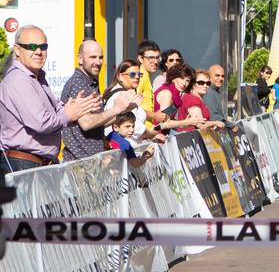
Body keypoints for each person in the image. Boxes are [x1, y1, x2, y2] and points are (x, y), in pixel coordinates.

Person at [0, 26, 99, 171]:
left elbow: (56, 108)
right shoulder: (19, 79)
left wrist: (76, 109)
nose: (39, 52)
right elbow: (42, 122)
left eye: (43, 46)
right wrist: (69, 115)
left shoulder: (36, 77)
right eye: (32, 47)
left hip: (36, 164)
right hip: (22, 164)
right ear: (17, 50)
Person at [61, 39, 139, 161]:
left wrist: (124, 110)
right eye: (92, 57)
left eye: (101, 57)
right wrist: (116, 109)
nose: (98, 62)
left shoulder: (89, 83)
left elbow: (97, 124)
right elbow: (86, 123)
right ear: (80, 59)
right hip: (80, 162)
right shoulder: (78, 83)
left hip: (92, 159)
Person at [105, 59, 165, 145]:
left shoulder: (127, 92)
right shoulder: (121, 95)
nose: (137, 77)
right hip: (123, 148)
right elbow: (135, 127)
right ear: (121, 76)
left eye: (139, 74)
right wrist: (153, 134)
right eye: (132, 74)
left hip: (130, 146)